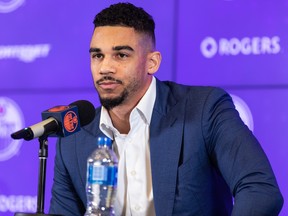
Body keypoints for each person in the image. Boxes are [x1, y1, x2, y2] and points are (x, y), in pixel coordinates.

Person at [49, 2, 283, 216]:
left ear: (152, 62)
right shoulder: (75, 137)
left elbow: (260, 190)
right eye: (97, 56)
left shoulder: (204, 109)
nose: (105, 67)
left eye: (121, 55)